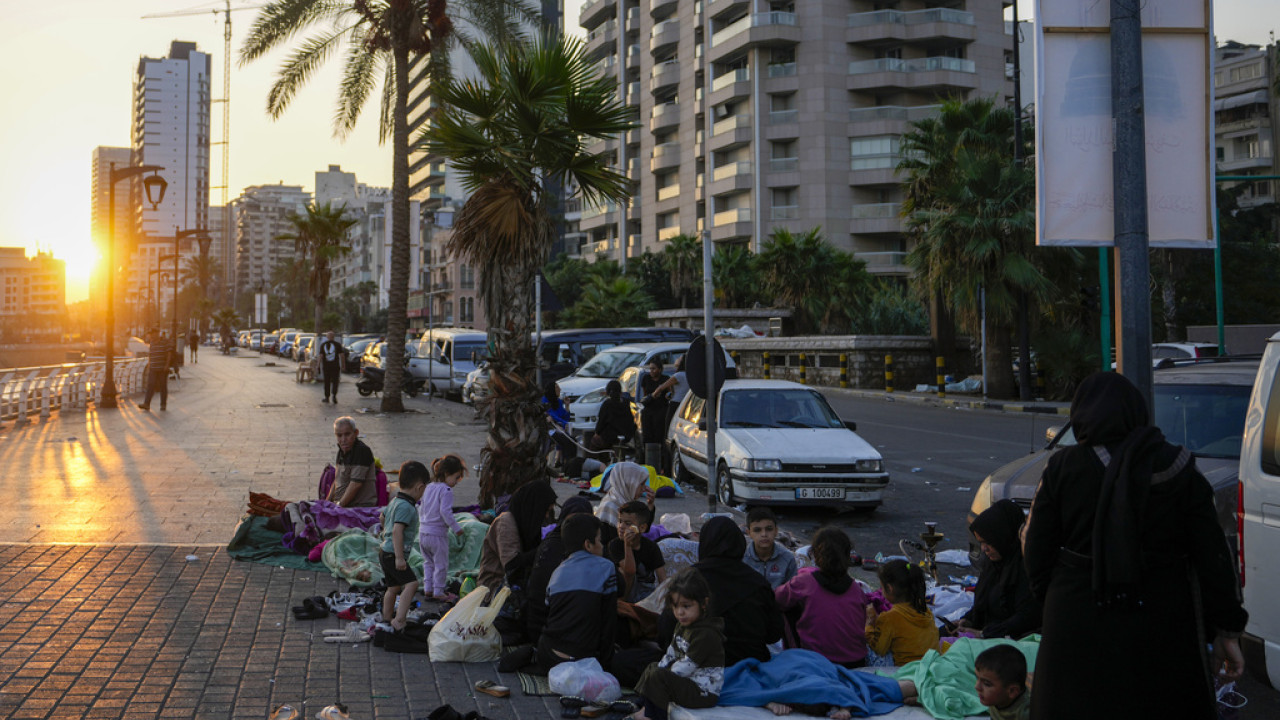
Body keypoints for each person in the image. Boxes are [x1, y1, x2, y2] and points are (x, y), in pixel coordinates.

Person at [1022, 372, 1247, 719]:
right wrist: (1227, 630)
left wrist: (1055, 597)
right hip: (1162, 620)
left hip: (1076, 618)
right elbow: (1214, 556)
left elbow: (1034, 546)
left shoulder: (1062, 467)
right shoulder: (1179, 467)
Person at [678, 516, 782, 666]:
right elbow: (774, 634)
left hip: (701, 664)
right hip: (751, 663)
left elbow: (667, 629)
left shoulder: (687, 579)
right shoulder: (758, 583)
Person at [633, 568, 725, 720]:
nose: (680, 612)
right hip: (687, 682)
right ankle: (643, 705)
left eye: (686, 606)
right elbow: (671, 653)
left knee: (659, 677)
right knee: (653, 668)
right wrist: (660, 671)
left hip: (703, 692)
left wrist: (664, 676)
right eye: (675, 607)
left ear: (704, 603)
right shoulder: (682, 625)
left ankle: (654, 715)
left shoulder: (706, 634)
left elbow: (687, 666)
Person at [538, 512, 625, 670]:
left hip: (550, 656)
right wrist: (606, 665)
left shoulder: (558, 571)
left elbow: (550, 612)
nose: (603, 545)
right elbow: (609, 620)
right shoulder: (606, 567)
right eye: (599, 540)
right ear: (588, 544)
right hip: (585, 657)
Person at [774, 526, 868, 668]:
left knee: (786, 607)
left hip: (817, 662)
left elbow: (775, 600)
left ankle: (792, 656)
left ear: (815, 554)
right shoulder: (857, 589)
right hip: (857, 660)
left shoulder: (803, 582)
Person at [957, 499, 1040, 639]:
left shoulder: (1026, 569)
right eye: (981, 542)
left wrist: (984, 634)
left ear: (1003, 537)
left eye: (988, 542)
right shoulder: (993, 566)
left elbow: (1026, 618)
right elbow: (984, 605)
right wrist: (966, 620)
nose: (984, 549)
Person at [523, 497, 595, 647]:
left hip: (547, 631)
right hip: (549, 632)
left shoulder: (566, 544)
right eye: (573, 521)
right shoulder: (557, 548)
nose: (579, 527)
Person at [476, 481, 559, 594]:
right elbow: (512, 565)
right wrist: (544, 549)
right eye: (546, 510)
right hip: (494, 589)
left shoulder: (526, 523)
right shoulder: (505, 522)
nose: (546, 516)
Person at [379, 460, 428, 631]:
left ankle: (386, 619)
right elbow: (397, 531)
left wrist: (384, 531)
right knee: (412, 584)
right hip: (394, 554)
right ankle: (399, 620)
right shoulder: (407, 507)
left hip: (385, 551)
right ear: (419, 487)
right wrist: (400, 558)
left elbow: (382, 517)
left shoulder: (395, 501)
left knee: (393, 588)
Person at [865, 560, 938, 666]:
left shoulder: (889, 618)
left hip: (904, 669)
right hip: (930, 665)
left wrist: (869, 625)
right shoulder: (925, 610)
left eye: (882, 587)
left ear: (889, 588)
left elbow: (879, 649)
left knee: (864, 646)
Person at [418, 454, 467, 602]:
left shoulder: (428, 487)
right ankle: (438, 591)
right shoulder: (446, 490)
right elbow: (445, 512)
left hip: (423, 533)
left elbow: (422, 507)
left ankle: (428, 588)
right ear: (446, 474)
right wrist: (456, 527)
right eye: (456, 477)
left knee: (428, 562)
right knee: (441, 564)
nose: (457, 481)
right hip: (437, 535)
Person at [610, 501, 668, 603]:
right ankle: (622, 606)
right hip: (625, 592)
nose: (621, 526)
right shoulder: (615, 545)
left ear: (641, 528)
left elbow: (662, 578)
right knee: (622, 572)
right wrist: (627, 545)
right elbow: (629, 571)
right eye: (620, 521)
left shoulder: (651, 547)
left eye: (628, 524)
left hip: (646, 591)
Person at [329, 416, 379, 507]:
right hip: (341, 505)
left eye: (347, 434)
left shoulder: (362, 451)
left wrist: (338, 506)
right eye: (339, 435)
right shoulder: (342, 451)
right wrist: (326, 503)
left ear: (356, 433)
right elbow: (337, 480)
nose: (343, 440)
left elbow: (355, 485)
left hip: (358, 507)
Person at [742, 507, 798, 590]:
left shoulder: (788, 558)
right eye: (757, 530)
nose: (764, 534)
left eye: (769, 529)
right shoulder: (742, 559)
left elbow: (793, 592)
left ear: (776, 531)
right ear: (749, 533)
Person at [973, 644, 1030, 720]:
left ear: (1012, 691)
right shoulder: (996, 698)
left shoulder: (1025, 714)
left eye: (987, 684)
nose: (977, 687)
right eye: (977, 678)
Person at [596, 462, 655, 527]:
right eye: (641, 484)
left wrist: (650, 504)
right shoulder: (611, 506)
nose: (644, 489)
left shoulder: (626, 500)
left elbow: (643, 528)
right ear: (629, 483)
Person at [638, 360, 671, 470]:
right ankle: (646, 464)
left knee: (659, 437)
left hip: (661, 412)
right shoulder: (646, 379)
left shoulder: (665, 379)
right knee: (647, 438)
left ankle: (660, 466)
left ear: (660, 370)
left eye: (654, 368)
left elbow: (669, 394)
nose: (651, 371)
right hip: (648, 411)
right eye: (650, 368)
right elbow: (644, 395)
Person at [591, 380, 636, 452]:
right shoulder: (626, 403)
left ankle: (603, 461)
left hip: (611, 436)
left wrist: (597, 433)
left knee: (595, 442)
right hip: (626, 435)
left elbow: (601, 421)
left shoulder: (607, 404)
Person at [138, 328, 173, 412]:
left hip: (162, 368)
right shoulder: (152, 343)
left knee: (162, 386)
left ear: (157, 333)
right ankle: (146, 404)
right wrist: (149, 365)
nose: (152, 335)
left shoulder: (165, 342)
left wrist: (167, 365)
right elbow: (150, 355)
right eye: (151, 334)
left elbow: (169, 353)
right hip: (153, 368)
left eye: (153, 333)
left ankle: (163, 405)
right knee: (150, 385)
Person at [317, 331, 345, 403]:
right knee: (335, 381)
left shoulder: (323, 345)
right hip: (335, 366)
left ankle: (327, 397)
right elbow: (342, 356)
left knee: (327, 381)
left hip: (326, 367)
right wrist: (343, 365)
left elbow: (321, 356)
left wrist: (318, 365)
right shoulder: (338, 345)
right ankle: (334, 396)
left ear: (327, 337)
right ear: (334, 337)